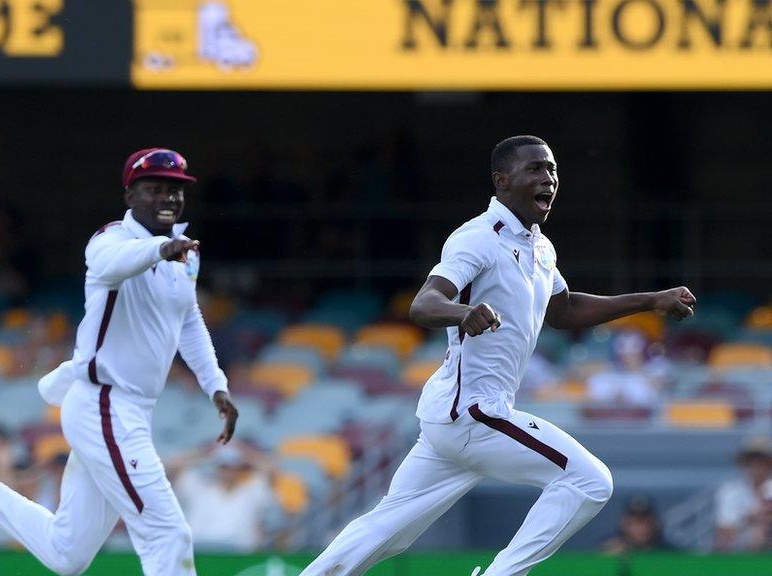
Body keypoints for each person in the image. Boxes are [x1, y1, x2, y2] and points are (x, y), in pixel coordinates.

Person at [301, 135, 697, 576]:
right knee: (590, 481)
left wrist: (648, 300)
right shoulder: (477, 238)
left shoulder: (539, 246)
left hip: (453, 418)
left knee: (385, 530)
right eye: (535, 169)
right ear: (502, 180)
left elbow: (564, 311)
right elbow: (424, 303)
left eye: (552, 170)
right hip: (474, 412)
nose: (548, 179)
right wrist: (464, 311)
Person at [0, 148, 239, 576]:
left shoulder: (185, 253)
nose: (168, 198)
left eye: (175, 190)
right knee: (168, 535)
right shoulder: (111, 241)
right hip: (105, 406)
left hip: (130, 411)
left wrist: (216, 385)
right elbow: (113, 264)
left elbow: (188, 319)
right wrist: (161, 248)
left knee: (67, 554)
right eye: (154, 188)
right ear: (130, 196)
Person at [170, 443, 276, 552]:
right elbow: (175, 464)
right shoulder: (199, 489)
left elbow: (270, 467)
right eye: (224, 467)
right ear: (216, 468)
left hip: (239, 554)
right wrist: (206, 452)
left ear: (239, 469)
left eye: (233, 467)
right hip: (199, 550)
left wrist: (244, 451)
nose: (228, 472)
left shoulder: (252, 492)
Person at [714, 436, 772, 552]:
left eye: (762, 461)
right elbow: (724, 532)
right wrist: (751, 519)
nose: (756, 465)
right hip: (739, 553)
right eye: (751, 461)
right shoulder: (730, 492)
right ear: (744, 464)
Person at [601, 495, 669, 554]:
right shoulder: (609, 552)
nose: (640, 529)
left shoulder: (669, 554)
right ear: (623, 524)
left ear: (655, 523)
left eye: (644, 523)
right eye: (634, 523)